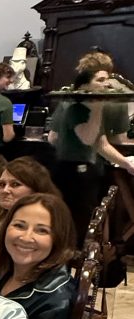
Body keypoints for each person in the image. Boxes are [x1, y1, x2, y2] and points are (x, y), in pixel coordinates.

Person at [49, 51, 134, 244]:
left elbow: (53, 138)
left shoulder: (66, 101)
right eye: (101, 79)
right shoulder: (81, 107)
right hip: (79, 173)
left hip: (61, 168)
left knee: (68, 220)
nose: (107, 85)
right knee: (78, 224)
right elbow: (92, 141)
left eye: (108, 79)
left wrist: (125, 163)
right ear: (87, 82)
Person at [0, 157, 61, 272]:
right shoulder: (7, 217)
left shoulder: (36, 227)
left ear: (35, 189)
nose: (5, 190)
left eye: (15, 184)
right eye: (2, 184)